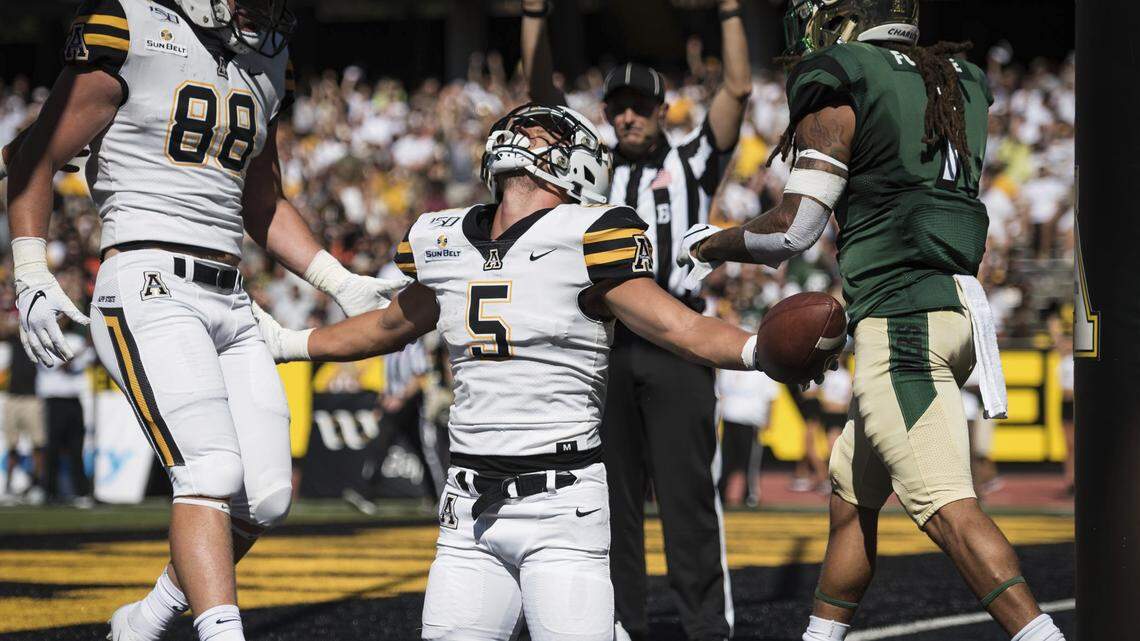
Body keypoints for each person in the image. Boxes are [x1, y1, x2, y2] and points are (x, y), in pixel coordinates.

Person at [251, 103, 768, 641]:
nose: (523, 132)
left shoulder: (592, 234)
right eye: (519, 125)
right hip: (467, 508)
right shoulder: (443, 238)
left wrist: (760, 351)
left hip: (560, 504)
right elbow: (385, 328)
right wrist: (289, 343)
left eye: (542, 131)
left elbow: (682, 329)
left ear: (580, 165)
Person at [5, 1, 405, 639]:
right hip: (148, 278)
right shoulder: (130, 23)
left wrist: (339, 280)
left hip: (231, 293)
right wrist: (30, 269)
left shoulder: (267, 55)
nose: (269, 11)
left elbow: (263, 201)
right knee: (210, 472)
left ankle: (146, 620)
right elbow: (32, 153)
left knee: (266, 497)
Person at [678, 2, 1066, 640]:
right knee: (851, 504)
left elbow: (795, 228)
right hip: (952, 305)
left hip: (902, 321)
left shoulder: (847, 79)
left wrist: (709, 244)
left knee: (945, 508)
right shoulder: (950, 78)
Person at [521, 2, 752, 638]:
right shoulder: (588, 168)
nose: (626, 115)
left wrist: (730, 11)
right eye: (616, 106)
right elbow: (539, 95)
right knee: (609, 504)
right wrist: (536, 16)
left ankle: (706, 627)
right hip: (606, 345)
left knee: (687, 501)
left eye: (638, 105)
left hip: (678, 343)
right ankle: (623, 625)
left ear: (660, 110)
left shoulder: (693, 160)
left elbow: (736, 87)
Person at [37, 314, 97, 507]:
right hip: (54, 402)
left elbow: (90, 360)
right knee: (53, 448)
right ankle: (50, 493)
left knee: (75, 447)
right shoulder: (44, 342)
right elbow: (63, 366)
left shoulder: (76, 340)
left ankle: (80, 492)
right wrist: (83, 349)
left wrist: (88, 347)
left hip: (73, 400)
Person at [1, 310, 46, 504]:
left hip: (32, 397)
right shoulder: (14, 335)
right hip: (13, 397)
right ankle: (10, 486)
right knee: (12, 445)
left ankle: (37, 485)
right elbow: (4, 328)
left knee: (38, 444)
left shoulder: (37, 334)